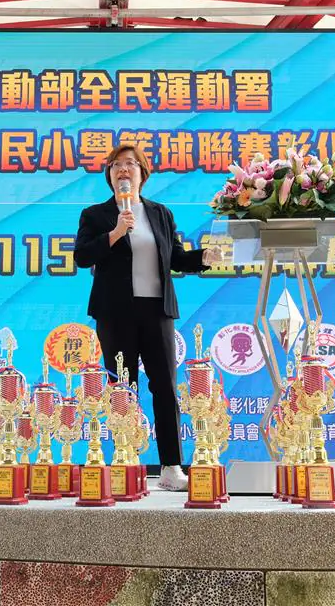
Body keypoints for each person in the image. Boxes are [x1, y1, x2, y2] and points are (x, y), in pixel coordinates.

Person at [74, 144, 221, 491]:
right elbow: (82, 256)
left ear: (143, 173)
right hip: (115, 312)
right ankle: (126, 461)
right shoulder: (95, 215)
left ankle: (171, 466)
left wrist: (204, 257)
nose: (123, 170)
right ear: (109, 176)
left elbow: (176, 258)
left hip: (157, 311)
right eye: (116, 165)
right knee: (123, 389)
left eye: (130, 164)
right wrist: (115, 234)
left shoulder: (160, 213)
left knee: (165, 388)